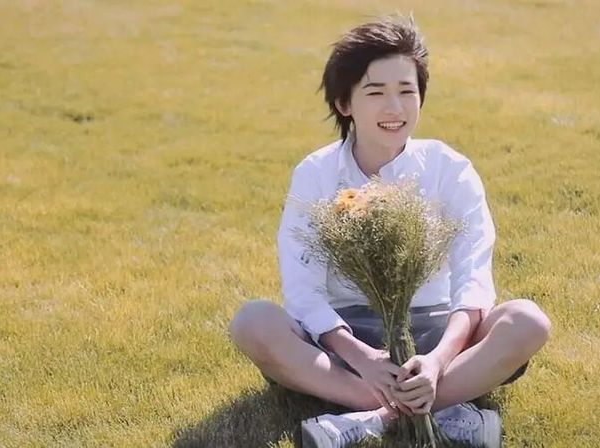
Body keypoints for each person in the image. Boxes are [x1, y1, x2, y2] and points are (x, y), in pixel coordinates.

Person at [230, 14, 552, 448]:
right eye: (376, 92)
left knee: (528, 321)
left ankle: (374, 417)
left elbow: (473, 280)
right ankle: (438, 410)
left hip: (438, 333)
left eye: (406, 91)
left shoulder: (449, 169)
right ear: (345, 103)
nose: (395, 108)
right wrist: (362, 356)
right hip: (345, 340)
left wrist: (439, 360)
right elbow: (303, 290)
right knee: (253, 322)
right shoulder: (316, 174)